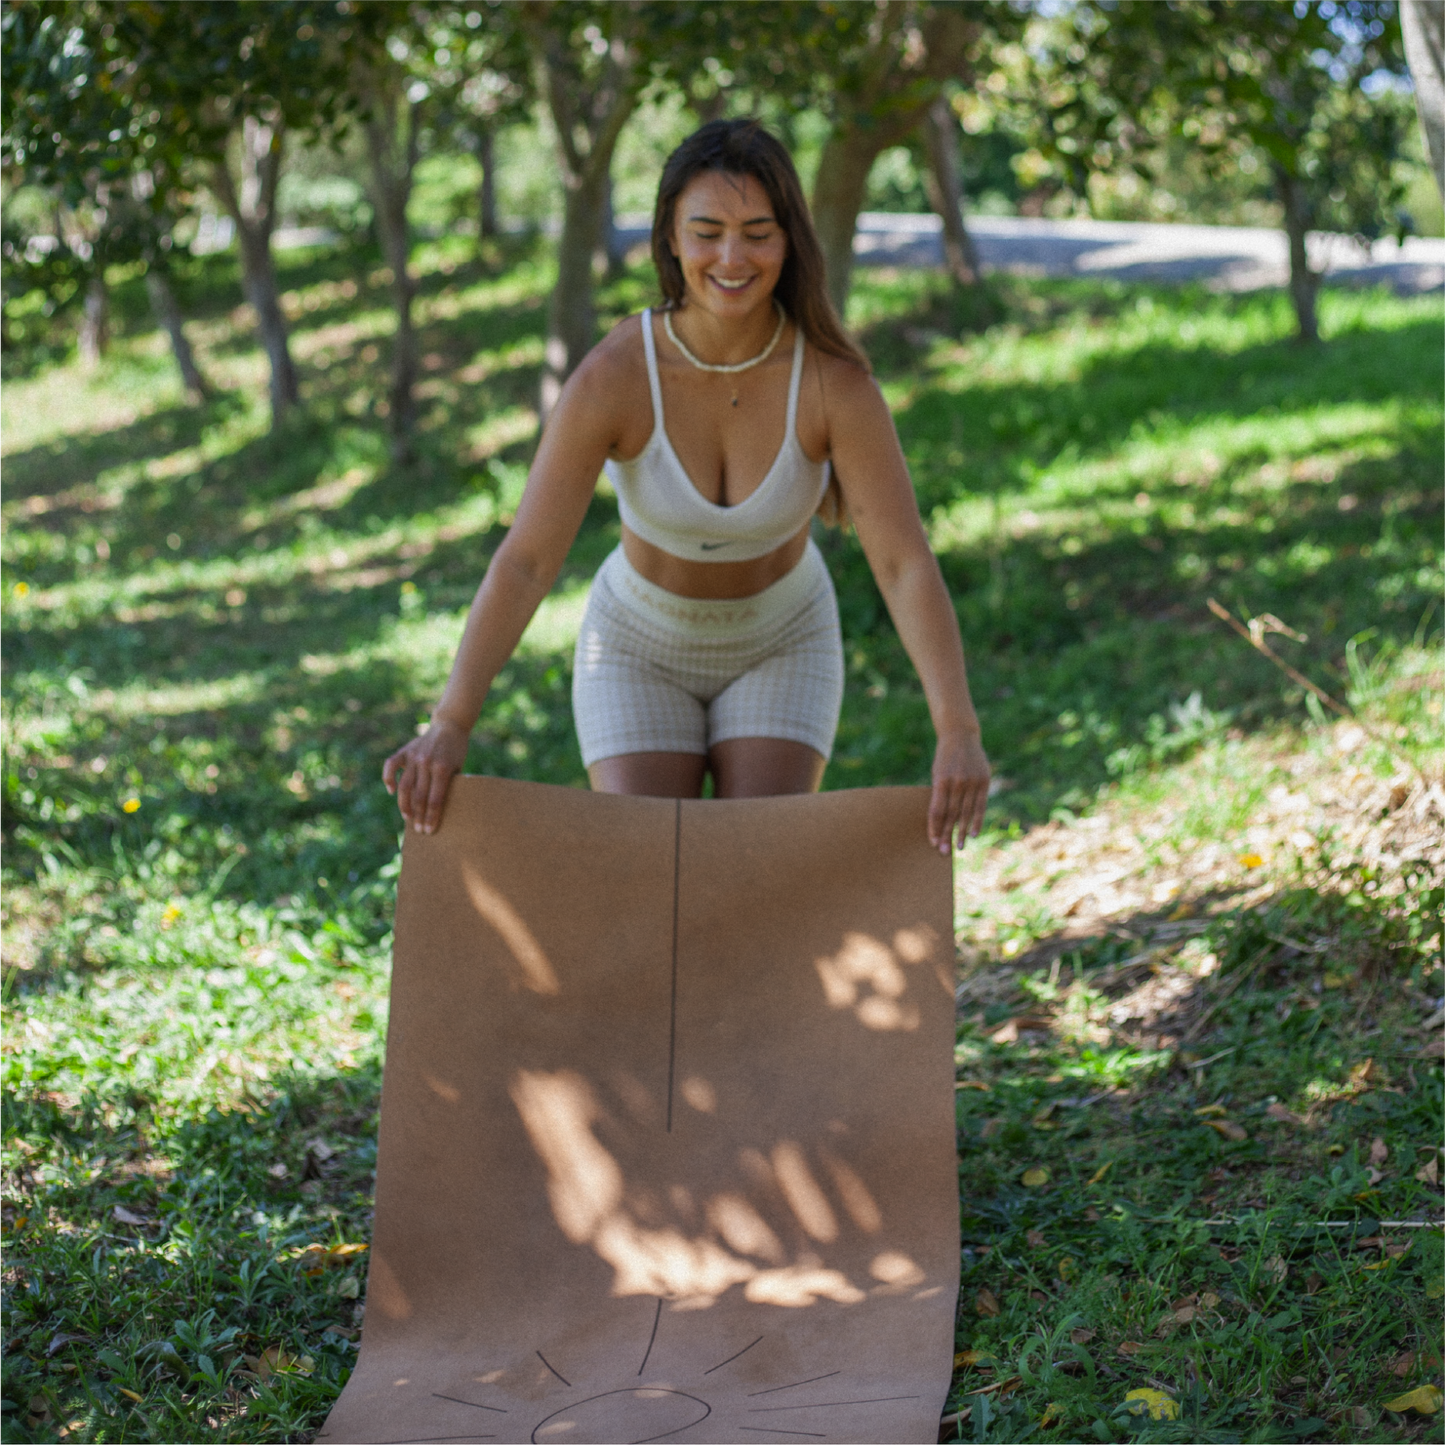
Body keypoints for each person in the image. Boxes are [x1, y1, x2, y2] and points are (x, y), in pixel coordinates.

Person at [383, 119, 990, 855]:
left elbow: (902, 562)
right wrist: (449, 722)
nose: (731, 257)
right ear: (669, 239)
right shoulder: (615, 376)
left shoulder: (835, 385)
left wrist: (957, 729)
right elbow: (527, 560)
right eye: (706, 232)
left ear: (789, 239)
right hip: (636, 644)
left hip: (783, 639)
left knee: (748, 876)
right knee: (649, 880)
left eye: (757, 232)